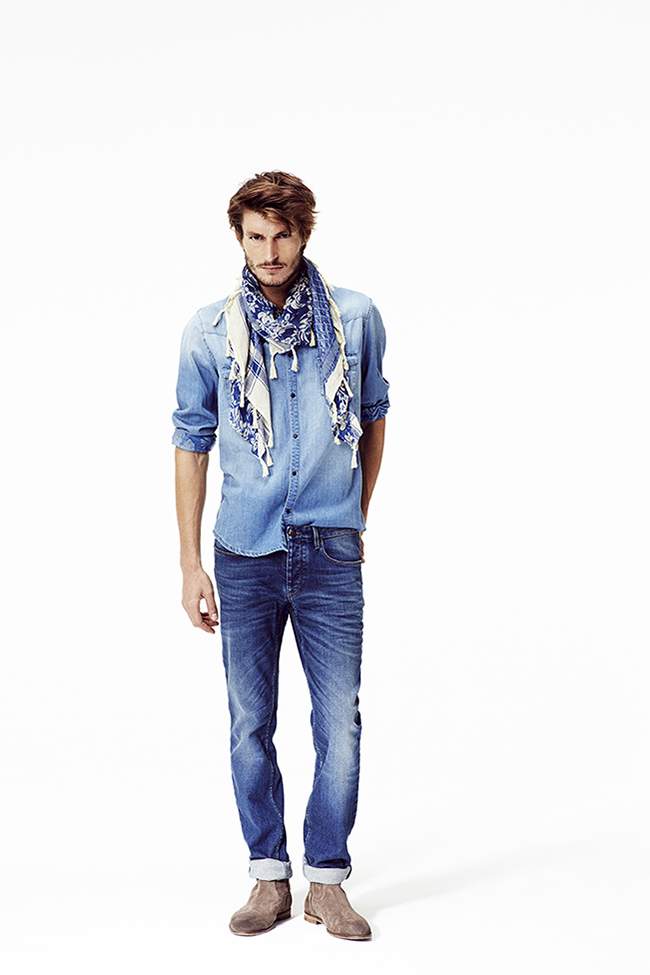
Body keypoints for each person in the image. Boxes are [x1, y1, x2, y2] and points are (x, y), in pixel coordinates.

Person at [171, 171, 391, 940]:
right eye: (256, 236)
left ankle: (326, 881)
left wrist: (354, 516)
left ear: (305, 234)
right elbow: (191, 442)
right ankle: (268, 876)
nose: (270, 252)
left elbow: (373, 417)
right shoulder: (208, 331)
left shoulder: (355, 318)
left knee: (341, 725)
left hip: (330, 553)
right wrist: (190, 564)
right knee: (248, 723)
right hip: (245, 552)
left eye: (283, 235)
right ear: (240, 238)